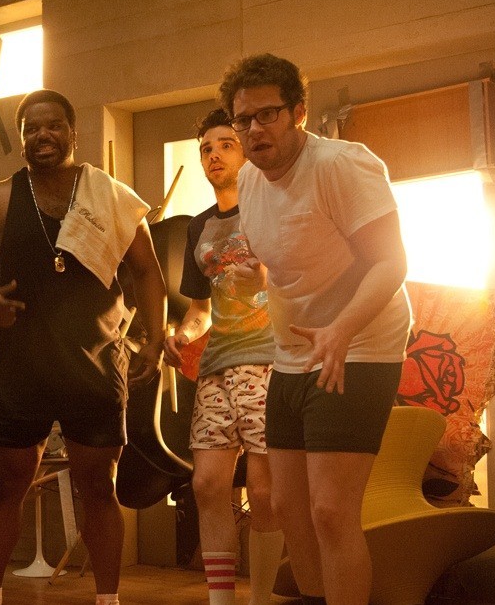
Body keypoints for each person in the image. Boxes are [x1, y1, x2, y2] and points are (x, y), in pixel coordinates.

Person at [0, 89, 167, 605]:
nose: (42, 135)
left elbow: (147, 271)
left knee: (98, 488)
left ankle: (107, 600)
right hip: (21, 368)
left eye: (52, 126)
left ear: (73, 133)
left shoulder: (111, 196)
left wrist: (155, 340)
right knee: (6, 487)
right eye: (31, 128)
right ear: (22, 138)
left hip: (94, 366)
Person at [218, 54, 411, 605]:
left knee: (330, 511)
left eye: (268, 114)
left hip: (359, 345)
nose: (255, 129)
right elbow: (284, 257)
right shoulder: (250, 180)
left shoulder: (341, 165)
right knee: (285, 508)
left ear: (298, 112)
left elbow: (392, 263)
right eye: (243, 119)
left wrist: (342, 329)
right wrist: (252, 273)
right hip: (293, 352)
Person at [163, 108, 283, 605]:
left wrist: (267, 279)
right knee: (208, 484)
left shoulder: (273, 208)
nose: (214, 155)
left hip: (270, 359)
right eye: (206, 149)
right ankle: (221, 601)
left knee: (265, 491)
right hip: (216, 366)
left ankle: (262, 598)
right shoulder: (199, 228)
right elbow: (200, 309)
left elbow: (301, 282)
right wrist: (181, 333)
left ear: (247, 152)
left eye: (225, 145)